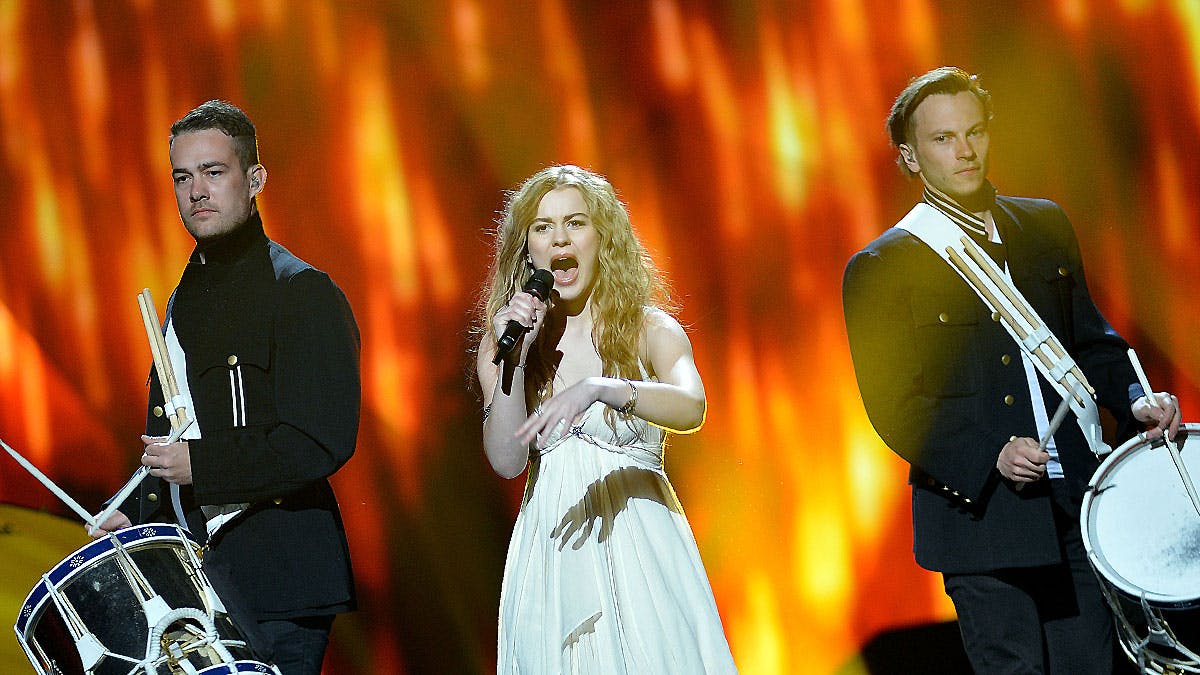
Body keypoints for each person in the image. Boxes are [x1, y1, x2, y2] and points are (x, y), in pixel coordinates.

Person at [843, 66, 1183, 674]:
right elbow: (896, 405)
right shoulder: (883, 266)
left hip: (1079, 501)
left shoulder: (1044, 225)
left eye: (974, 132)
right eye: (943, 139)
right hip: (983, 520)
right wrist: (990, 453)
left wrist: (1135, 397)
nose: (965, 150)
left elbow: (1093, 341)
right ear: (910, 156)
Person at [95, 100, 360, 675]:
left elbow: (321, 441)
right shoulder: (182, 299)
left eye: (214, 173)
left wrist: (202, 467)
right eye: (183, 178)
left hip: (278, 583)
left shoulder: (302, 292)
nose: (197, 192)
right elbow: (179, 433)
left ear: (254, 179)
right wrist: (138, 520)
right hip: (199, 586)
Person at [473, 165, 737, 673]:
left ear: (603, 237)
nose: (559, 239)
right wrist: (519, 358)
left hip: (641, 545)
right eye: (542, 227)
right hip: (553, 548)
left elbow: (692, 406)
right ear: (527, 247)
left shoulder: (648, 328)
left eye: (575, 222)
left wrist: (603, 389)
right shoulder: (505, 341)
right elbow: (507, 460)